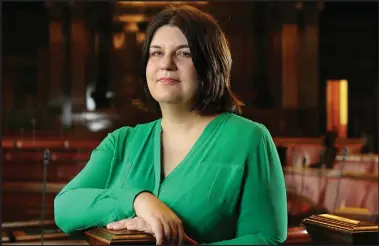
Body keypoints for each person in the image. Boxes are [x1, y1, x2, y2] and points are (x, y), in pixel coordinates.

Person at [54, 5, 287, 245]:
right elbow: (64, 206)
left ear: (210, 63)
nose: (166, 64)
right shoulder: (121, 142)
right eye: (156, 53)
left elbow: (267, 239)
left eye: (184, 53)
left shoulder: (248, 139)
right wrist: (139, 201)